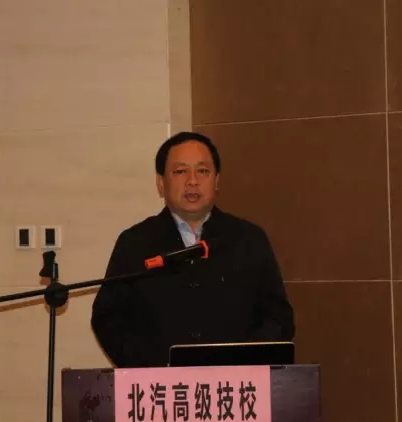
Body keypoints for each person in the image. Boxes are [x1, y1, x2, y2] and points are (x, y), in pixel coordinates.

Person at [90, 131, 295, 368]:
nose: (192, 181)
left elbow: (278, 318)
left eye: (203, 171)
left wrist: (240, 363)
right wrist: (153, 369)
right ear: (160, 183)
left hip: (234, 383)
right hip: (160, 384)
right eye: (180, 171)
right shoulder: (135, 243)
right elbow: (109, 318)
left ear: (216, 181)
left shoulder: (248, 239)